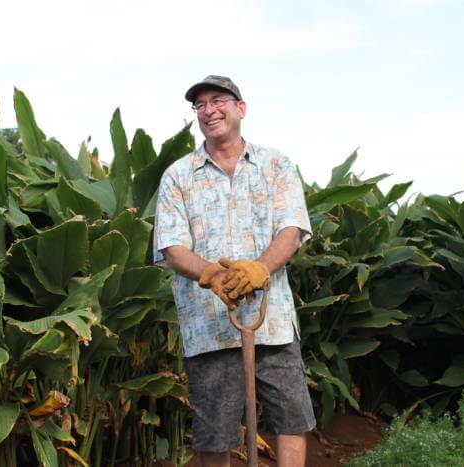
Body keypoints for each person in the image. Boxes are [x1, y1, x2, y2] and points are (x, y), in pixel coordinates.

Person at [154, 75, 315, 467]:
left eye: (218, 100)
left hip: (272, 320)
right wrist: (213, 275)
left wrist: (261, 268)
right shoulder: (178, 175)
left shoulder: (276, 165)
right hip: (209, 328)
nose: (209, 110)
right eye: (200, 105)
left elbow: (291, 230)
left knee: (291, 419)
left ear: (240, 108)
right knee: (215, 435)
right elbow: (173, 248)